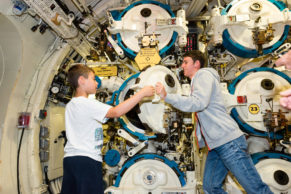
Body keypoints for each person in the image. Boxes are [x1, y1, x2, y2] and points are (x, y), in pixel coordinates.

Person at [155, 50, 273, 194]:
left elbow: (198, 103)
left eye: (186, 62)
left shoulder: (202, 75)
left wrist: (167, 96)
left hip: (229, 142)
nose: (182, 66)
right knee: (211, 188)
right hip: (217, 145)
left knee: (256, 189)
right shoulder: (197, 81)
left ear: (196, 64)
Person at [61, 64, 155, 194]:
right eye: (93, 79)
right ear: (81, 80)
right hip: (86, 160)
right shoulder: (86, 103)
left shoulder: (72, 104)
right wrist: (141, 94)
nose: (96, 83)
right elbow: (116, 112)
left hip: (71, 160)